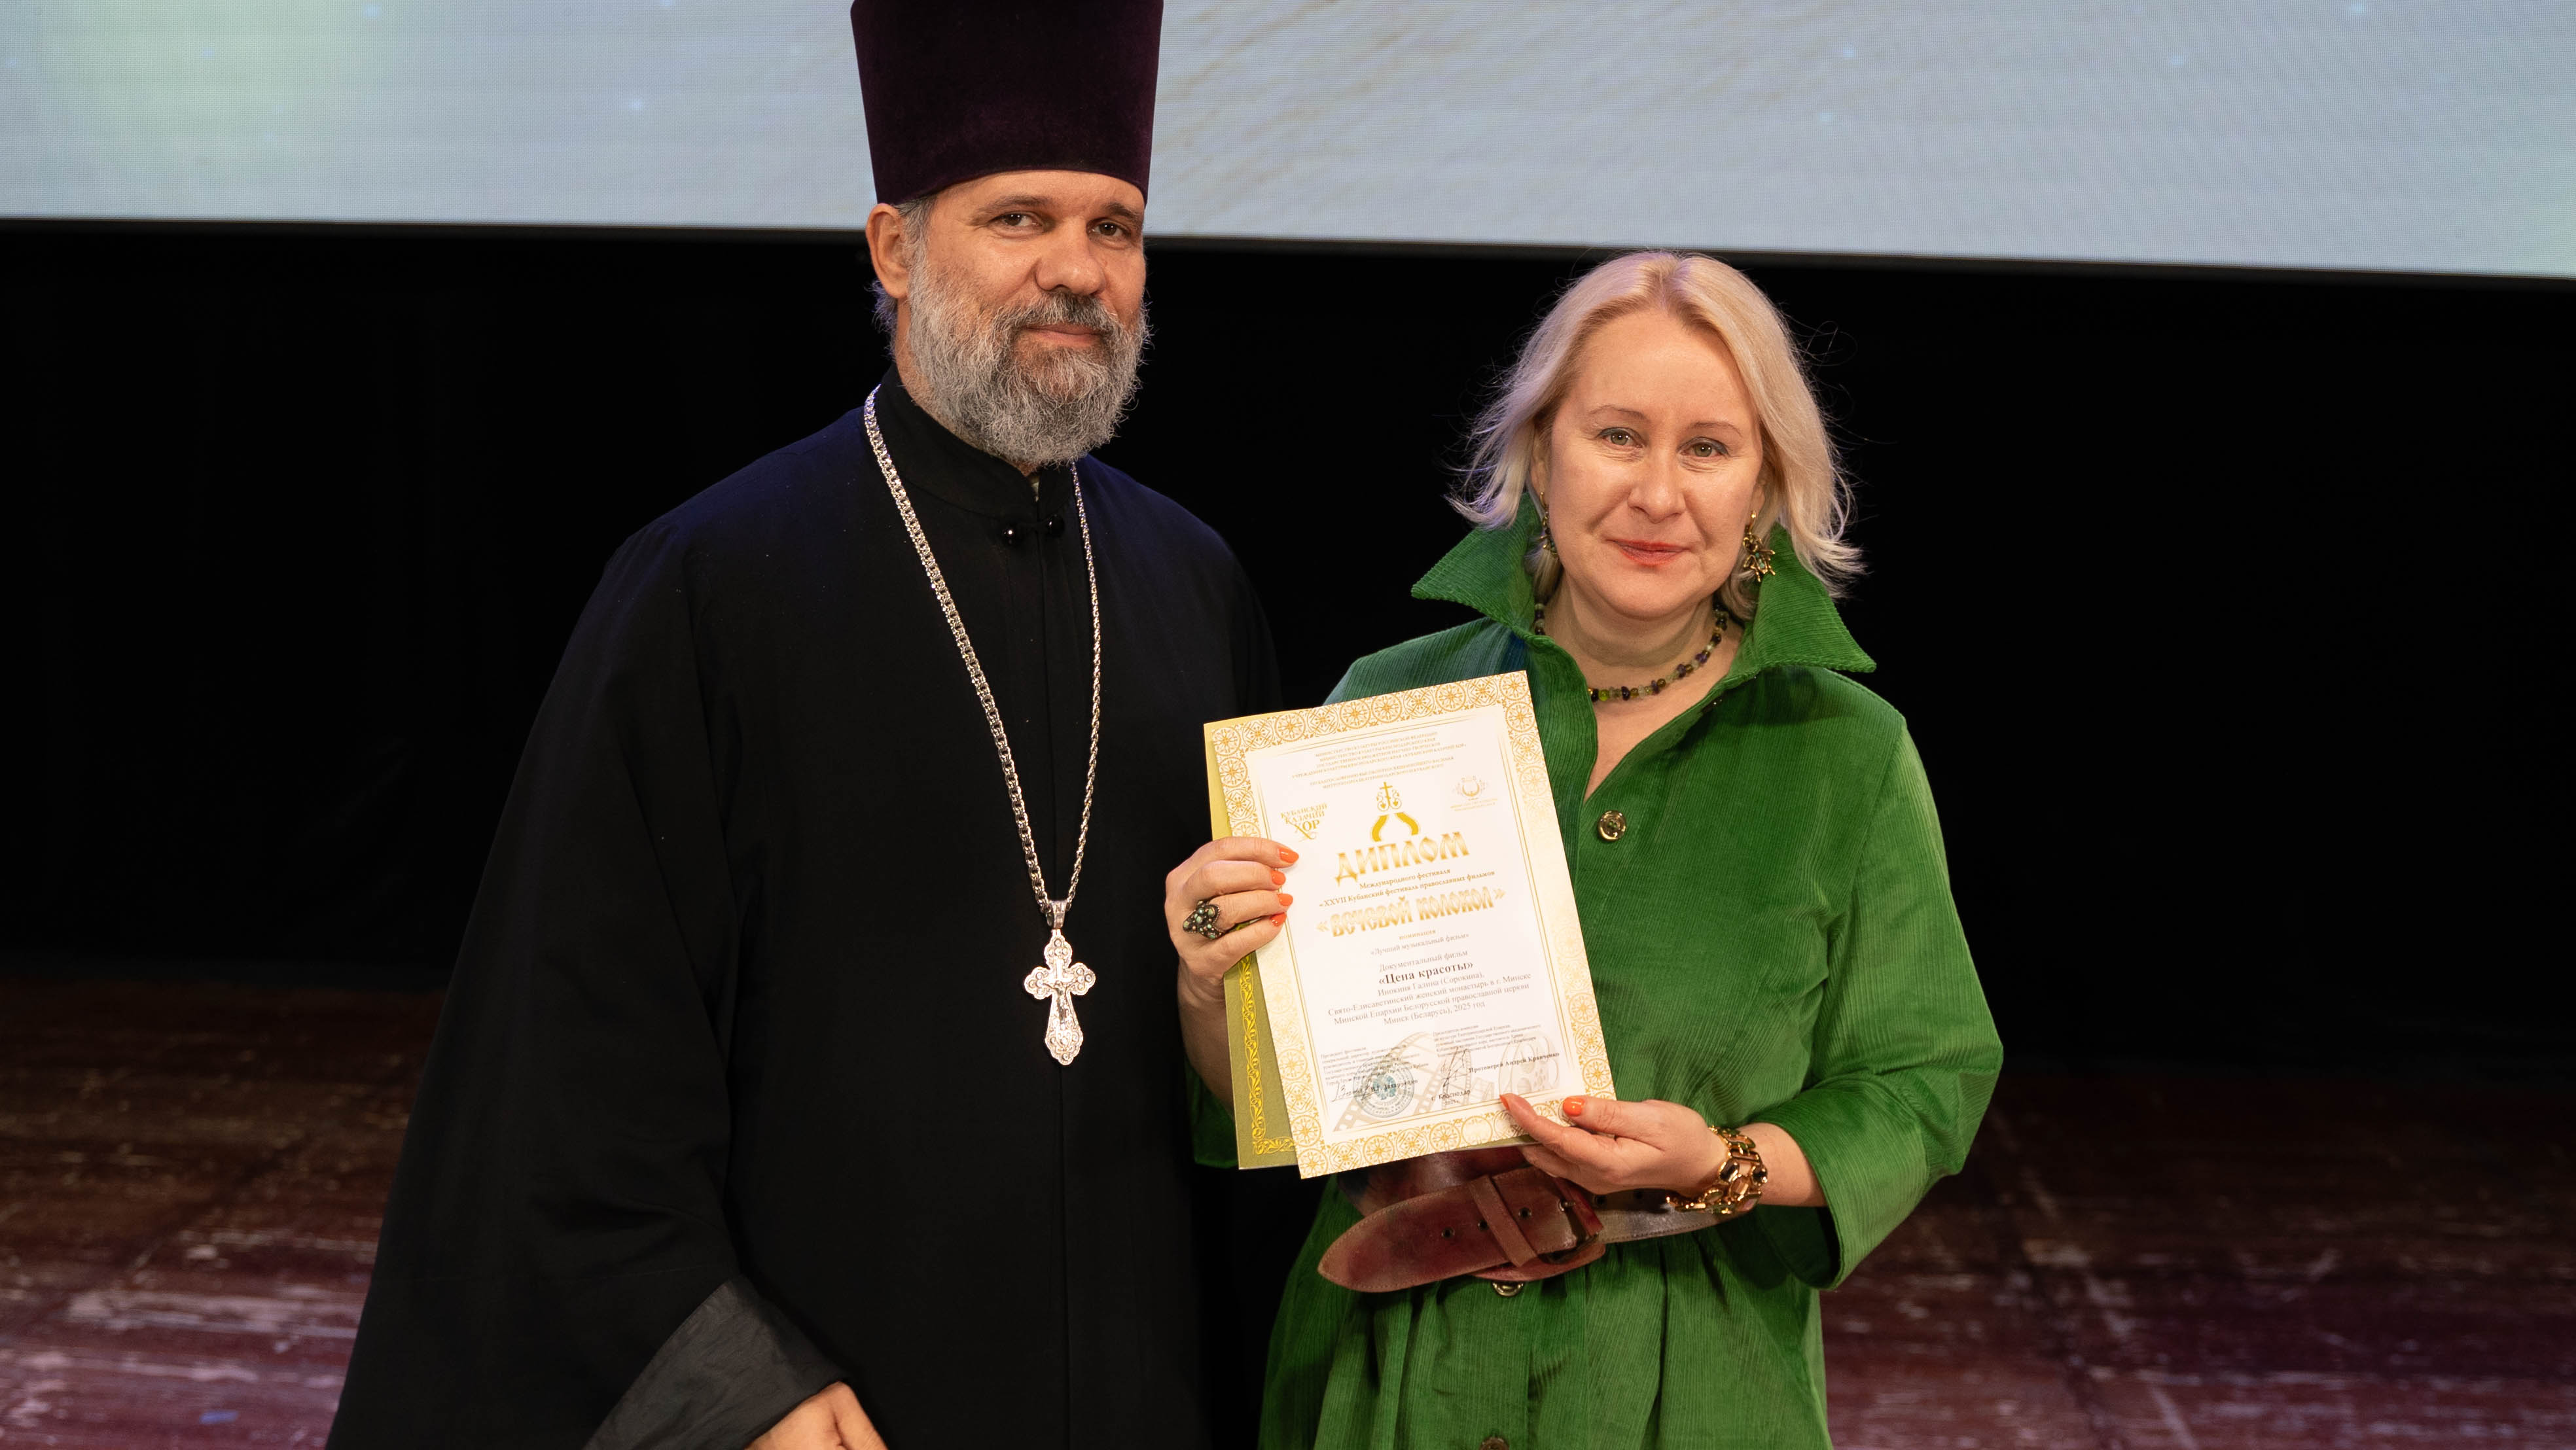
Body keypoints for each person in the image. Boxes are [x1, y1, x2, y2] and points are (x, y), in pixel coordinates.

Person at [329, 3, 1282, 1447]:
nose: (1078, 270)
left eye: (1115, 227)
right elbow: (576, 1056)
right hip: (833, 1393)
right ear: (895, 250)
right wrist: (737, 1378)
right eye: (1018, 219)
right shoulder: (711, 587)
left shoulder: (1192, 583)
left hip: (1146, 1383)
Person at [1164, 251, 2003, 1449]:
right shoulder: (1381, 709)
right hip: (1389, 1373)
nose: (1658, 494)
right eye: (1618, 435)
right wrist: (1210, 983)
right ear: (1539, 453)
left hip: (1686, 1379)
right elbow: (1275, 1100)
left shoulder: (1847, 755)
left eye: (1708, 448)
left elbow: (1925, 1082)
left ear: (1764, 486)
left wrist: (1719, 1161)